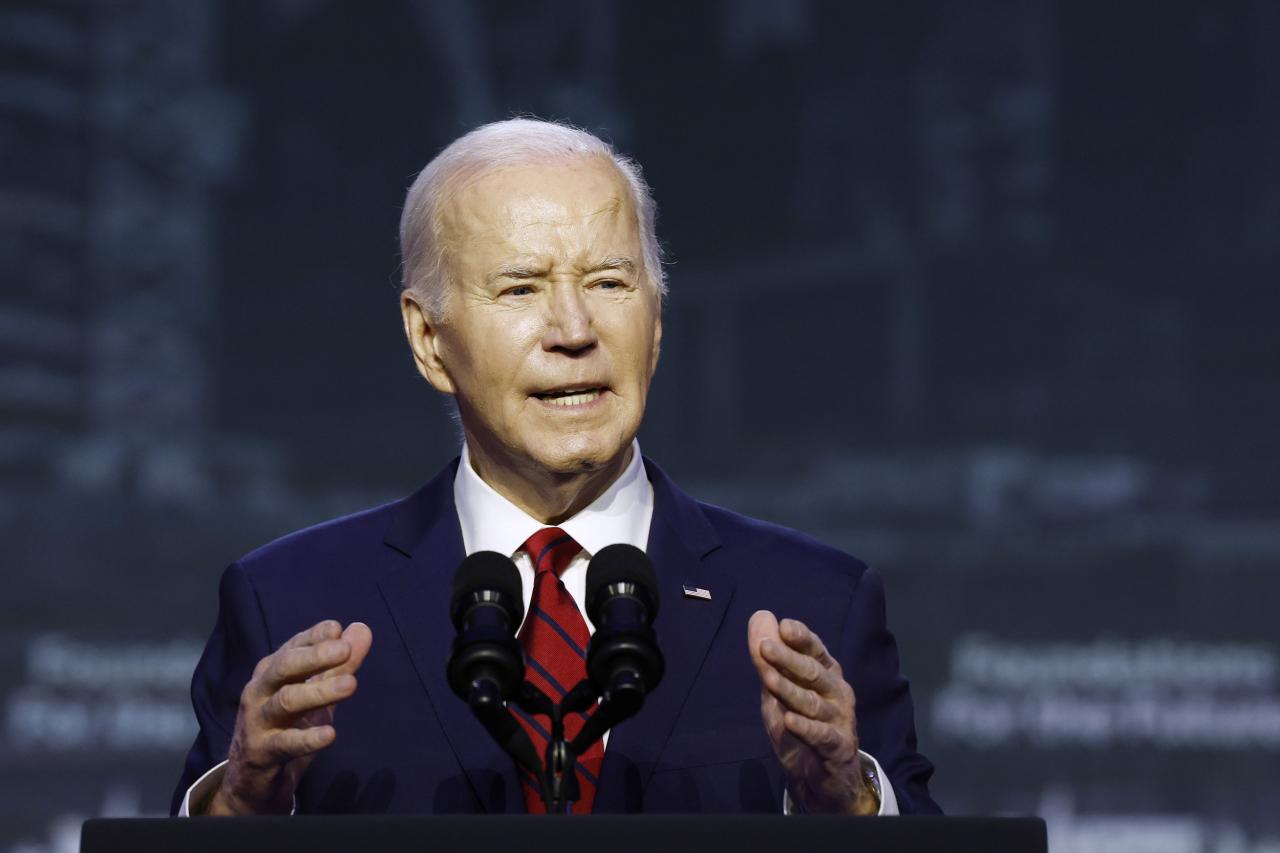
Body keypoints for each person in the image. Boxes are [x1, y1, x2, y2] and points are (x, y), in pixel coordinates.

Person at [173, 118, 940, 817]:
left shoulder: (815, 606)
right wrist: (242, 802)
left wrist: (847, 800)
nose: (575, 330)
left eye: (609, 283)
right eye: (522, 288)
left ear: (657, 321)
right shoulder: (290, 605)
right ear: (429, 340)